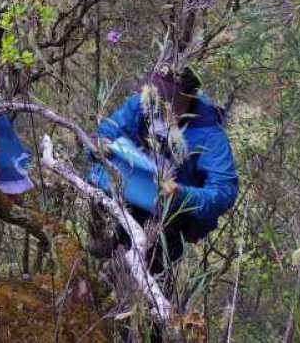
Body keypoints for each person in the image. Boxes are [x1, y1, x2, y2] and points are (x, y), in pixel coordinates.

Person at [89, 65, 239, 280]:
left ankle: (138, 289)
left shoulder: (209, 134)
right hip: (128, 195)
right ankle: (105, 250)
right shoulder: (143, 105)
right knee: (105, 264)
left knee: (137, 278)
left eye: (169, 96)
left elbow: (224, 191)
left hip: (169, 217)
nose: (160, 100)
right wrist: (100, 144)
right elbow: (108, 130)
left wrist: (181, 194)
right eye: (157, 91)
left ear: (189, 97)